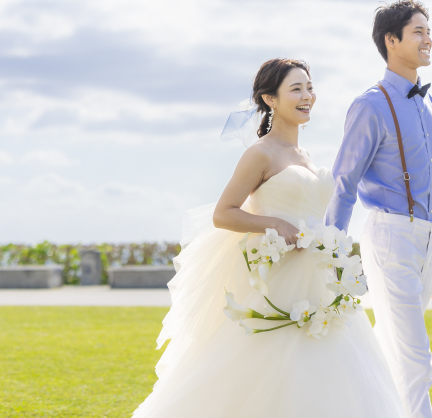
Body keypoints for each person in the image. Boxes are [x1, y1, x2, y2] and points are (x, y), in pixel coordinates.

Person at [133, 58, 406, 418]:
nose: (307, 96)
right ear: (270, 99)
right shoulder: (260, 153)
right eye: (296, 89)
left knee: (333, 372)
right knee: (267, 370)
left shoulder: (305, 156)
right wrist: (273, 223)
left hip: (320, 280)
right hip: (279, 282)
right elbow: (223, 213)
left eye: (310, 88)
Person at [325, 0, 432, 418]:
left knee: (391, 350)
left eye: (428, 31)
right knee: (416, 361)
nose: (428, 39)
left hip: (427, 239)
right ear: (391, 40)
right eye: (418, 32)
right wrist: (331, 254)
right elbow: (343, 184)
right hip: (391, 238)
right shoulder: (370, 105)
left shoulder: (428, 103)